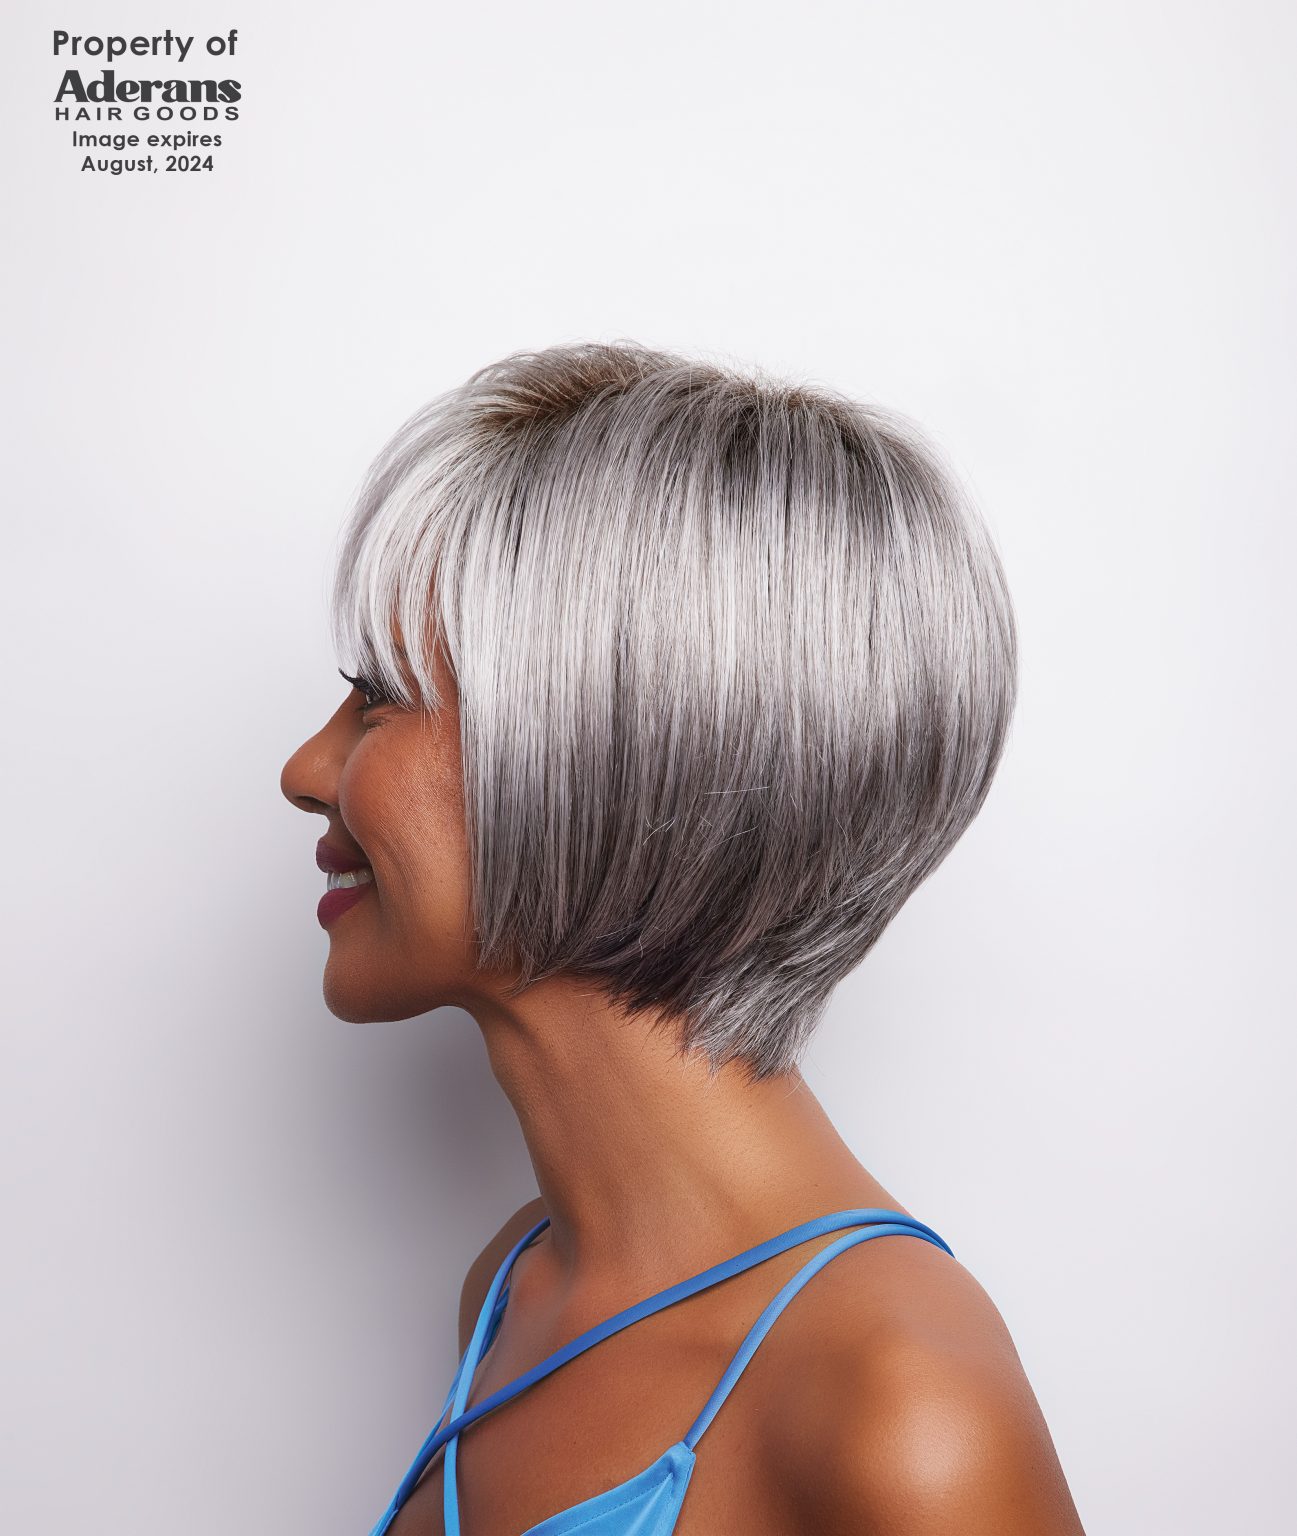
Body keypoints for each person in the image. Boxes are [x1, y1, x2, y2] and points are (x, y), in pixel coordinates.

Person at [280, 341, 1085, 1534]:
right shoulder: (513, 1291)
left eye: (380, 697)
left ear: (605, 747)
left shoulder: (901, 1406)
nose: (306, 770)